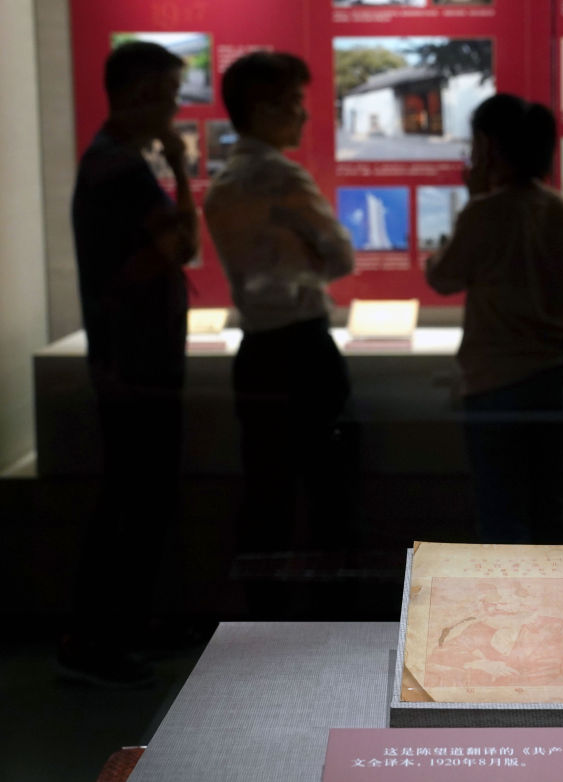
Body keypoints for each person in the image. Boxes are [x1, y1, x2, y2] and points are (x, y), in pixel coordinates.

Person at [63, 41, 198, 685]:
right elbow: (182, 245)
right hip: (136, 361)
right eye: (169, 94)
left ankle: (125, 625)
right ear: (142, 93)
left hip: (131, 356)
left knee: (138, 494)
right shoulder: (120, 169)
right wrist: (182, 169)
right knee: (133, 497)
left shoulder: (108, 163)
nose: (175, 108)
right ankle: (96, 640)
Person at [204, 52, 355, 614]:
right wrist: (311, 256)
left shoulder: (223, 184)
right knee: (328, 492)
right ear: (263, 110)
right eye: (293, 103)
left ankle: (264, 620)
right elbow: (340, 257)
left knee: (266, 492)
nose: (304, 115)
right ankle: (333, 620)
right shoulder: (283, 175)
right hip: (304, 348)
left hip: (258, 350)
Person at [426, 93, 563, 544]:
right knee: (549, 509)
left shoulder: (485, 212)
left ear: (488, 148)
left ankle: (510, 594)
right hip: (561, 374)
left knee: (501, 514)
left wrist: (476, 198)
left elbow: (442, 276)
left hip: (499, 382)